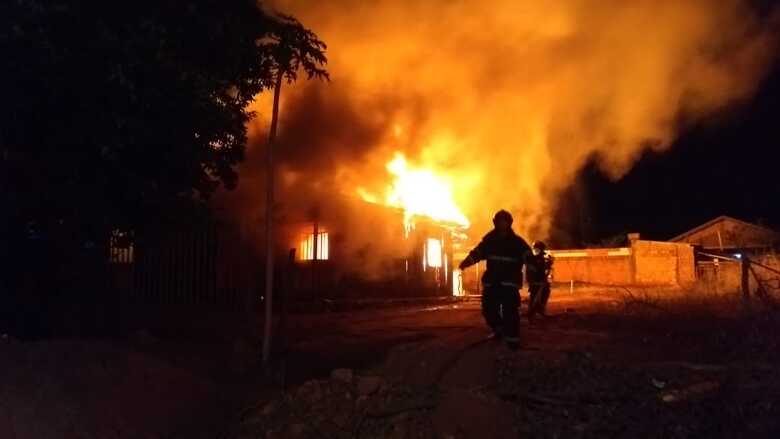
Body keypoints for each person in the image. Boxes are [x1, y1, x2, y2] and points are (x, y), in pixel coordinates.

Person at [459, 210, 531, 350]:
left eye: (504, 221)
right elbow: (477, 253)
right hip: (493, 283)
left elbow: (528, 256)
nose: (502, 224)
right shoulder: (489, 241)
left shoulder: (517, 242)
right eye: (499, 221)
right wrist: (466, 263)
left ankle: (513, 341)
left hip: (509, 284)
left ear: (509, 223)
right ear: (495, 223)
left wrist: (534, 265)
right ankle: (498, 329)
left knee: (511, 312)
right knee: (488, 310)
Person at [527, 240, 554, 319]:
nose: (536, 250)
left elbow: (547, 266)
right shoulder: (531, 257)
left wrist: (549, 262)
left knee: (545, 292)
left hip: (542, 280)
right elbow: (531, 269)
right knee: (534, 295)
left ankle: (540, 309)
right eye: (535, 248)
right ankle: (531, 312)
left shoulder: (543, 257)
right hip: (535, 280)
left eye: (538, 248)